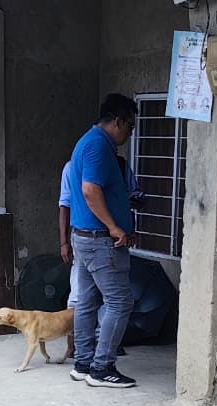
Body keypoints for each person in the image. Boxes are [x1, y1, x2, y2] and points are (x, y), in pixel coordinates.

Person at [66, 94, 138, 388]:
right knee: (120, 301)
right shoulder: (98, 146)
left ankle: (83, 363)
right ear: (117, 121)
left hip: (84, 237)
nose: (130, 133)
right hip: (99, 240)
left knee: (86, 300)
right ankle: (102, 367)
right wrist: (114, 227)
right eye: (130, 127)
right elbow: (89, 190)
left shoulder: (87, 141)